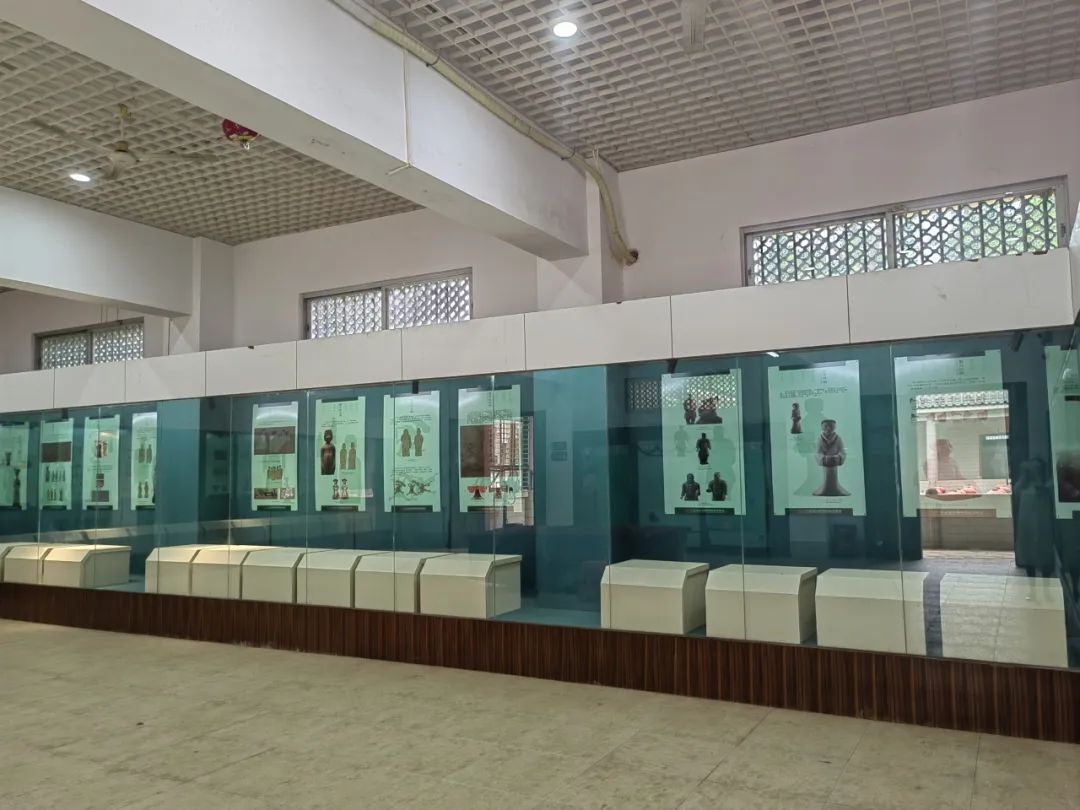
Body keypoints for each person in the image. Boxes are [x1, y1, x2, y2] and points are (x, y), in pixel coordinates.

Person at [814, 418, 849, 496]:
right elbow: (818, 452)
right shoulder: (819, 439)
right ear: (822, 427)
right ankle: (824, 489)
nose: (828, 428)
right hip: (825, 462)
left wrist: (838, 457)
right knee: (826, 477)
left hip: (834, 461)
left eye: (831, 426)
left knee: (833, 477)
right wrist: (823, 458)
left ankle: (835, 488)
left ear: (835, 427)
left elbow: (842, 451)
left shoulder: (838, 438)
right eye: (826, 426)